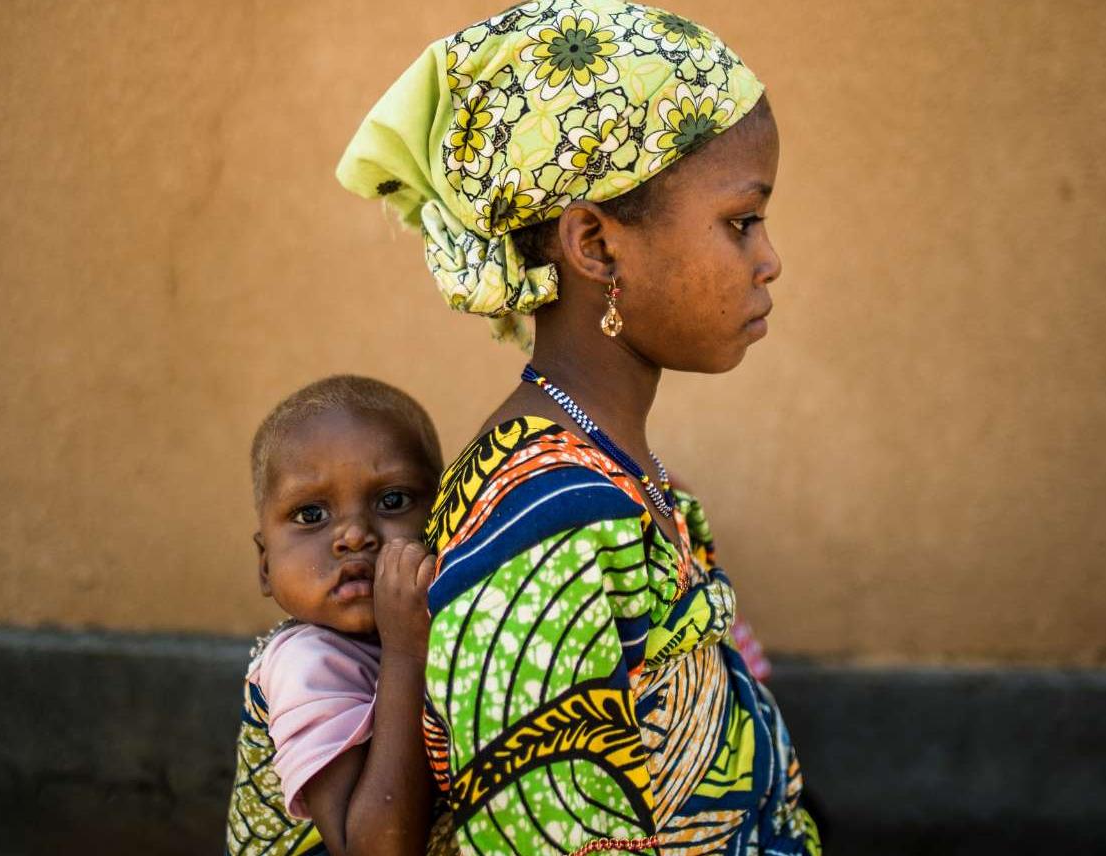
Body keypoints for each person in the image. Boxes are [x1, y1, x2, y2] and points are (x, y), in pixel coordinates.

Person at [336, 1, 819, 853]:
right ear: (593, 245)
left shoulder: (611, 470)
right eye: (741, 221)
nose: (768, 258)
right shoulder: (548, 529)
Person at [224, 375, 445, 856]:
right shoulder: (305, 665)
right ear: (265, 567)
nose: (354, 535)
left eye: (392, 501)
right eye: (311, 515)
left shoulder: (437, 620)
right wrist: (407, 653)